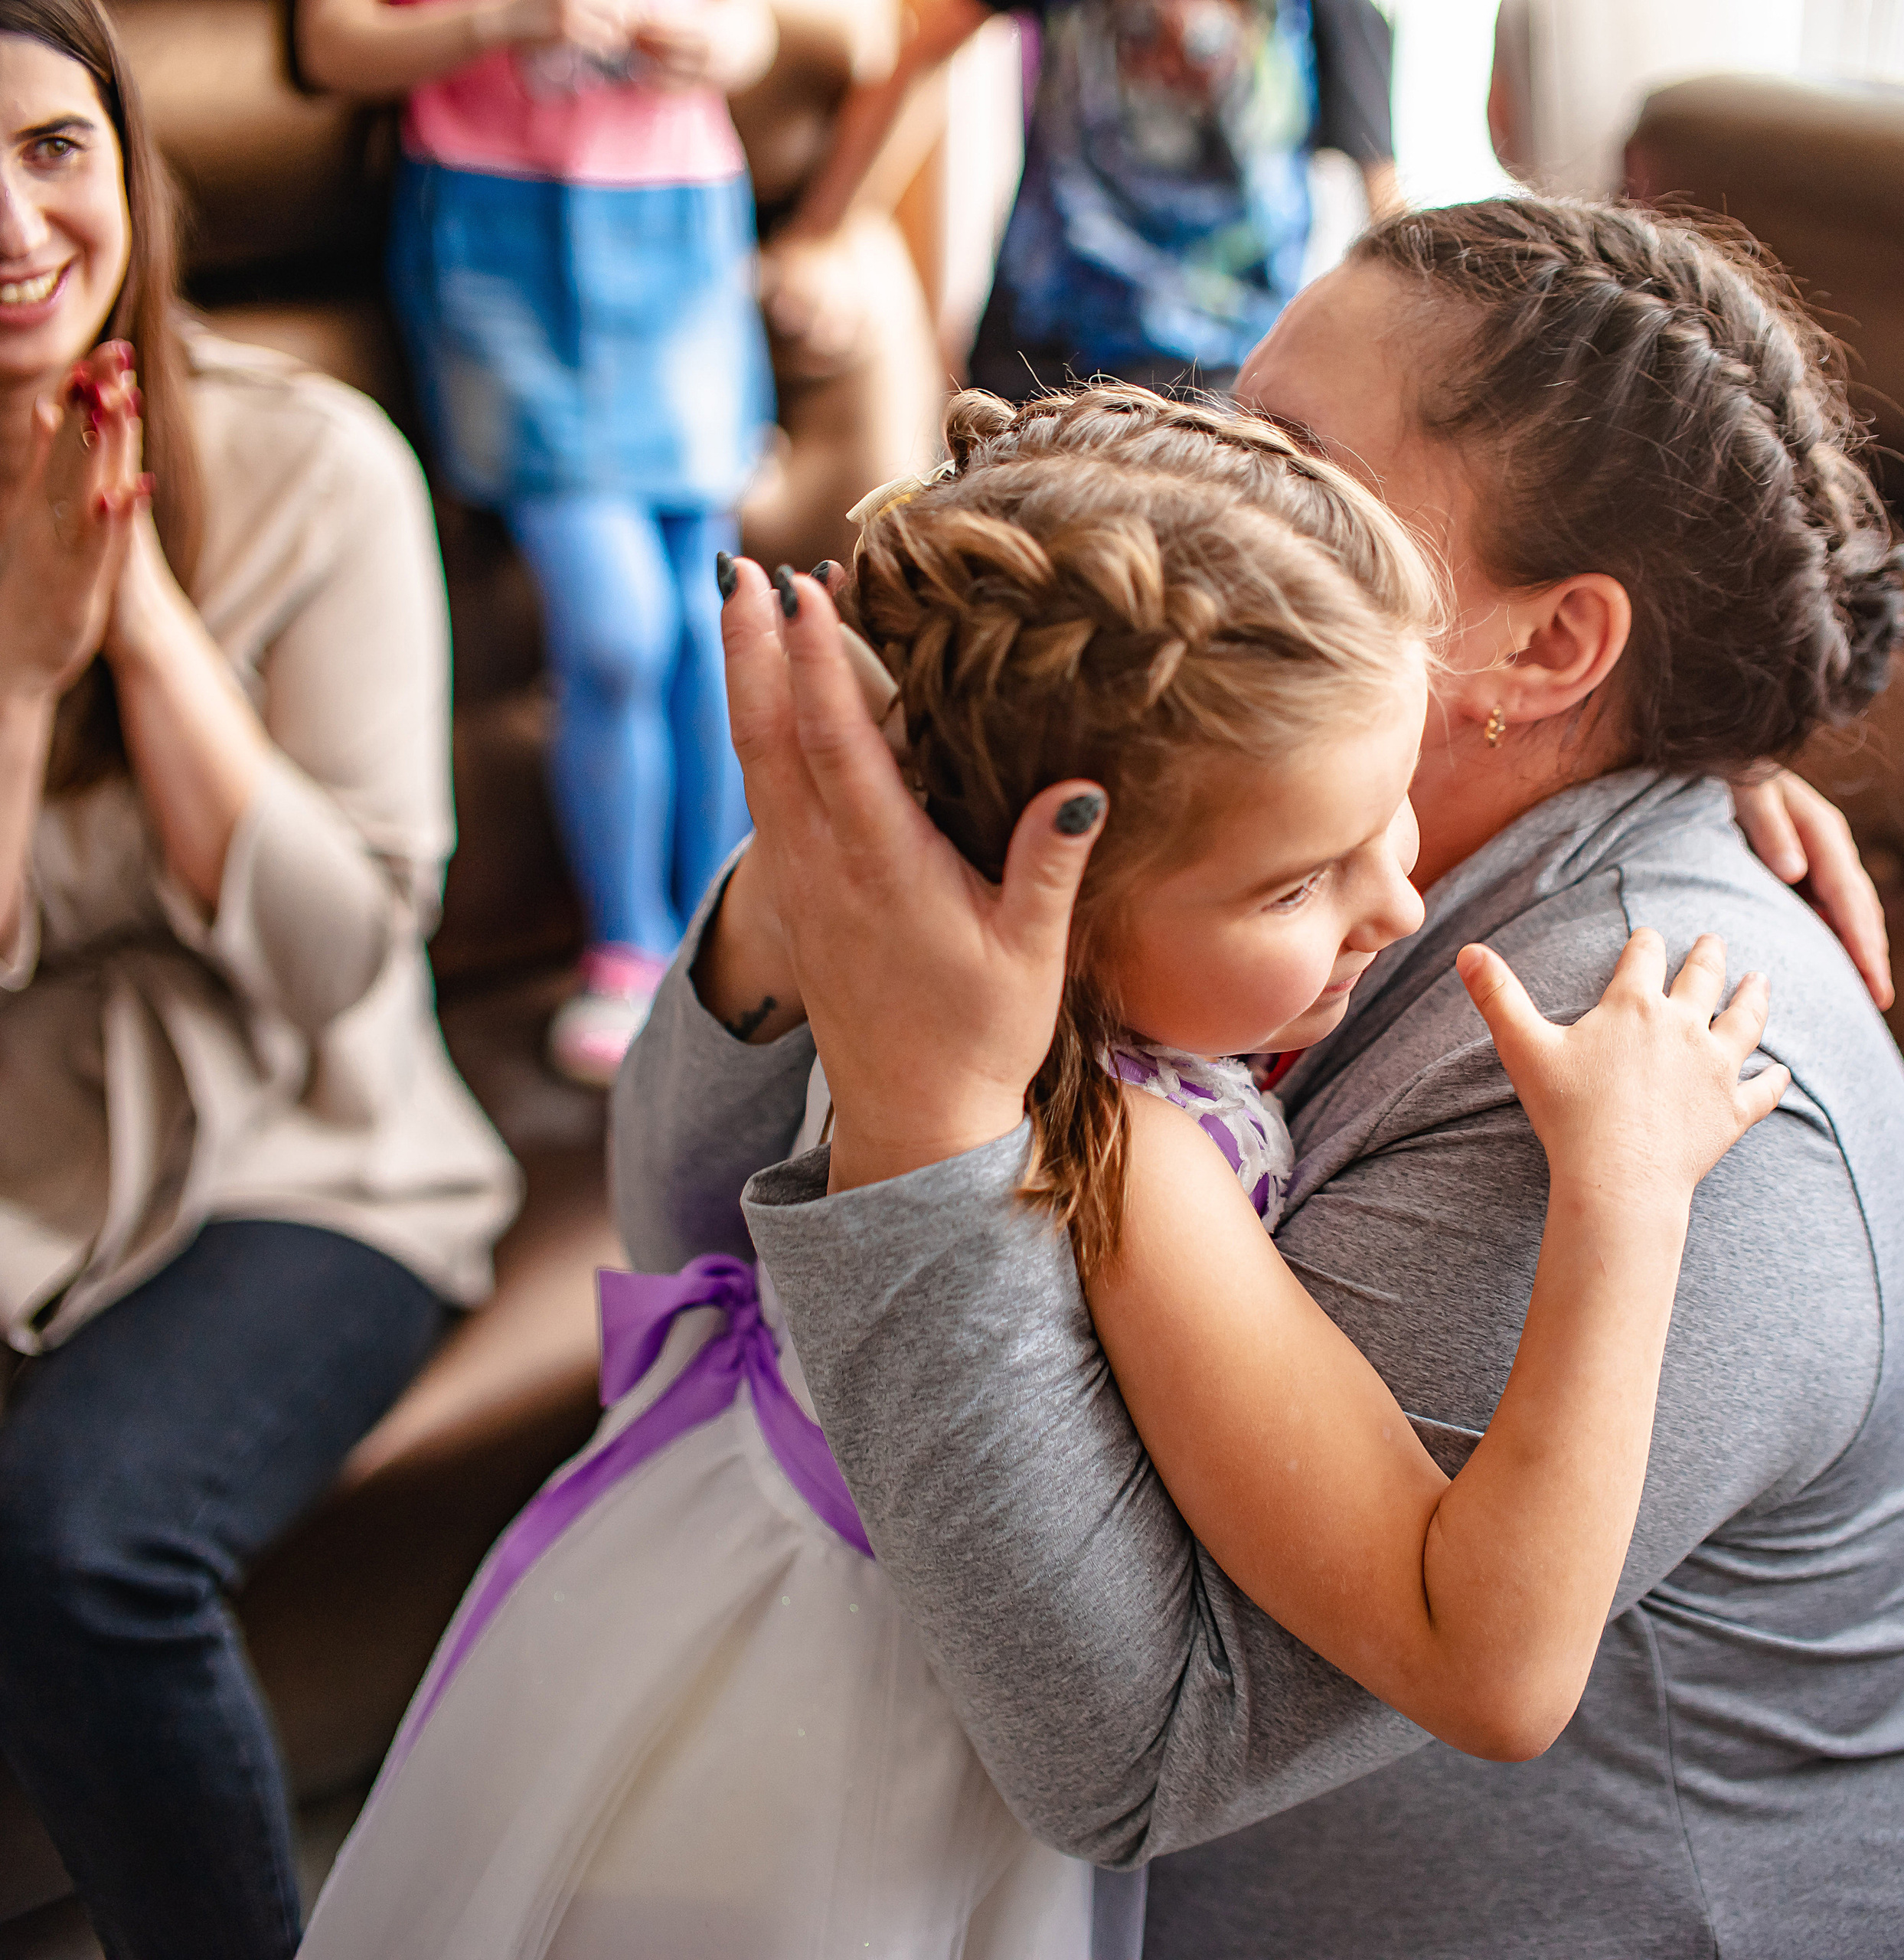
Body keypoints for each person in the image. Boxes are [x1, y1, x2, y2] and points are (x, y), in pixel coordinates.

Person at [616, 196, 1904, 1959]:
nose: (1209, 488)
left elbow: (1137, 1749)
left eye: (1292, 455)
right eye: (1227, 413)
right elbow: (691, 1251)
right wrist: (817, 893)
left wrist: (937, 1108)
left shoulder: (1660, 1067)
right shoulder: (1207, 852)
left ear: (1545, 650)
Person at [300, 382, 1782, 1960]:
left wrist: (1684, 771)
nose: (1398, 904)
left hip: (668, 1585)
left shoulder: (911, 956)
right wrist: (1621, 1193)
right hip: (827, 1755)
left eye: (1389, 813)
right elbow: (1482, 1660)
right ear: (1045, 900)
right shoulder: (1133, 1152)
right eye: (1299, 878)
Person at [0, 7, 519, 1958]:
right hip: (35, 1166)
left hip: (318, 1163)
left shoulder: (317, 468)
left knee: (80, 1537)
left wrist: (136, 619)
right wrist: (26, 671)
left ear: (127, 165)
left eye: (54, 148)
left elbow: (329, 962)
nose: (13, 219)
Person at [299, 0, 778, 1085]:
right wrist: (507, 23)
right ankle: (629, 944)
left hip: (680, 225)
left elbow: (751, 36)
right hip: (499, 237)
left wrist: (712, 45)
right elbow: (335, 41)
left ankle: (732, 929)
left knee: (716, 625)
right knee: (614, 633)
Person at [765, 0, 1398, 398]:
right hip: (1041, 369)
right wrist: (822, 230)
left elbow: (1386, 212)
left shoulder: (1334, 16)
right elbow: (919, 54)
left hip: (1227, 388)